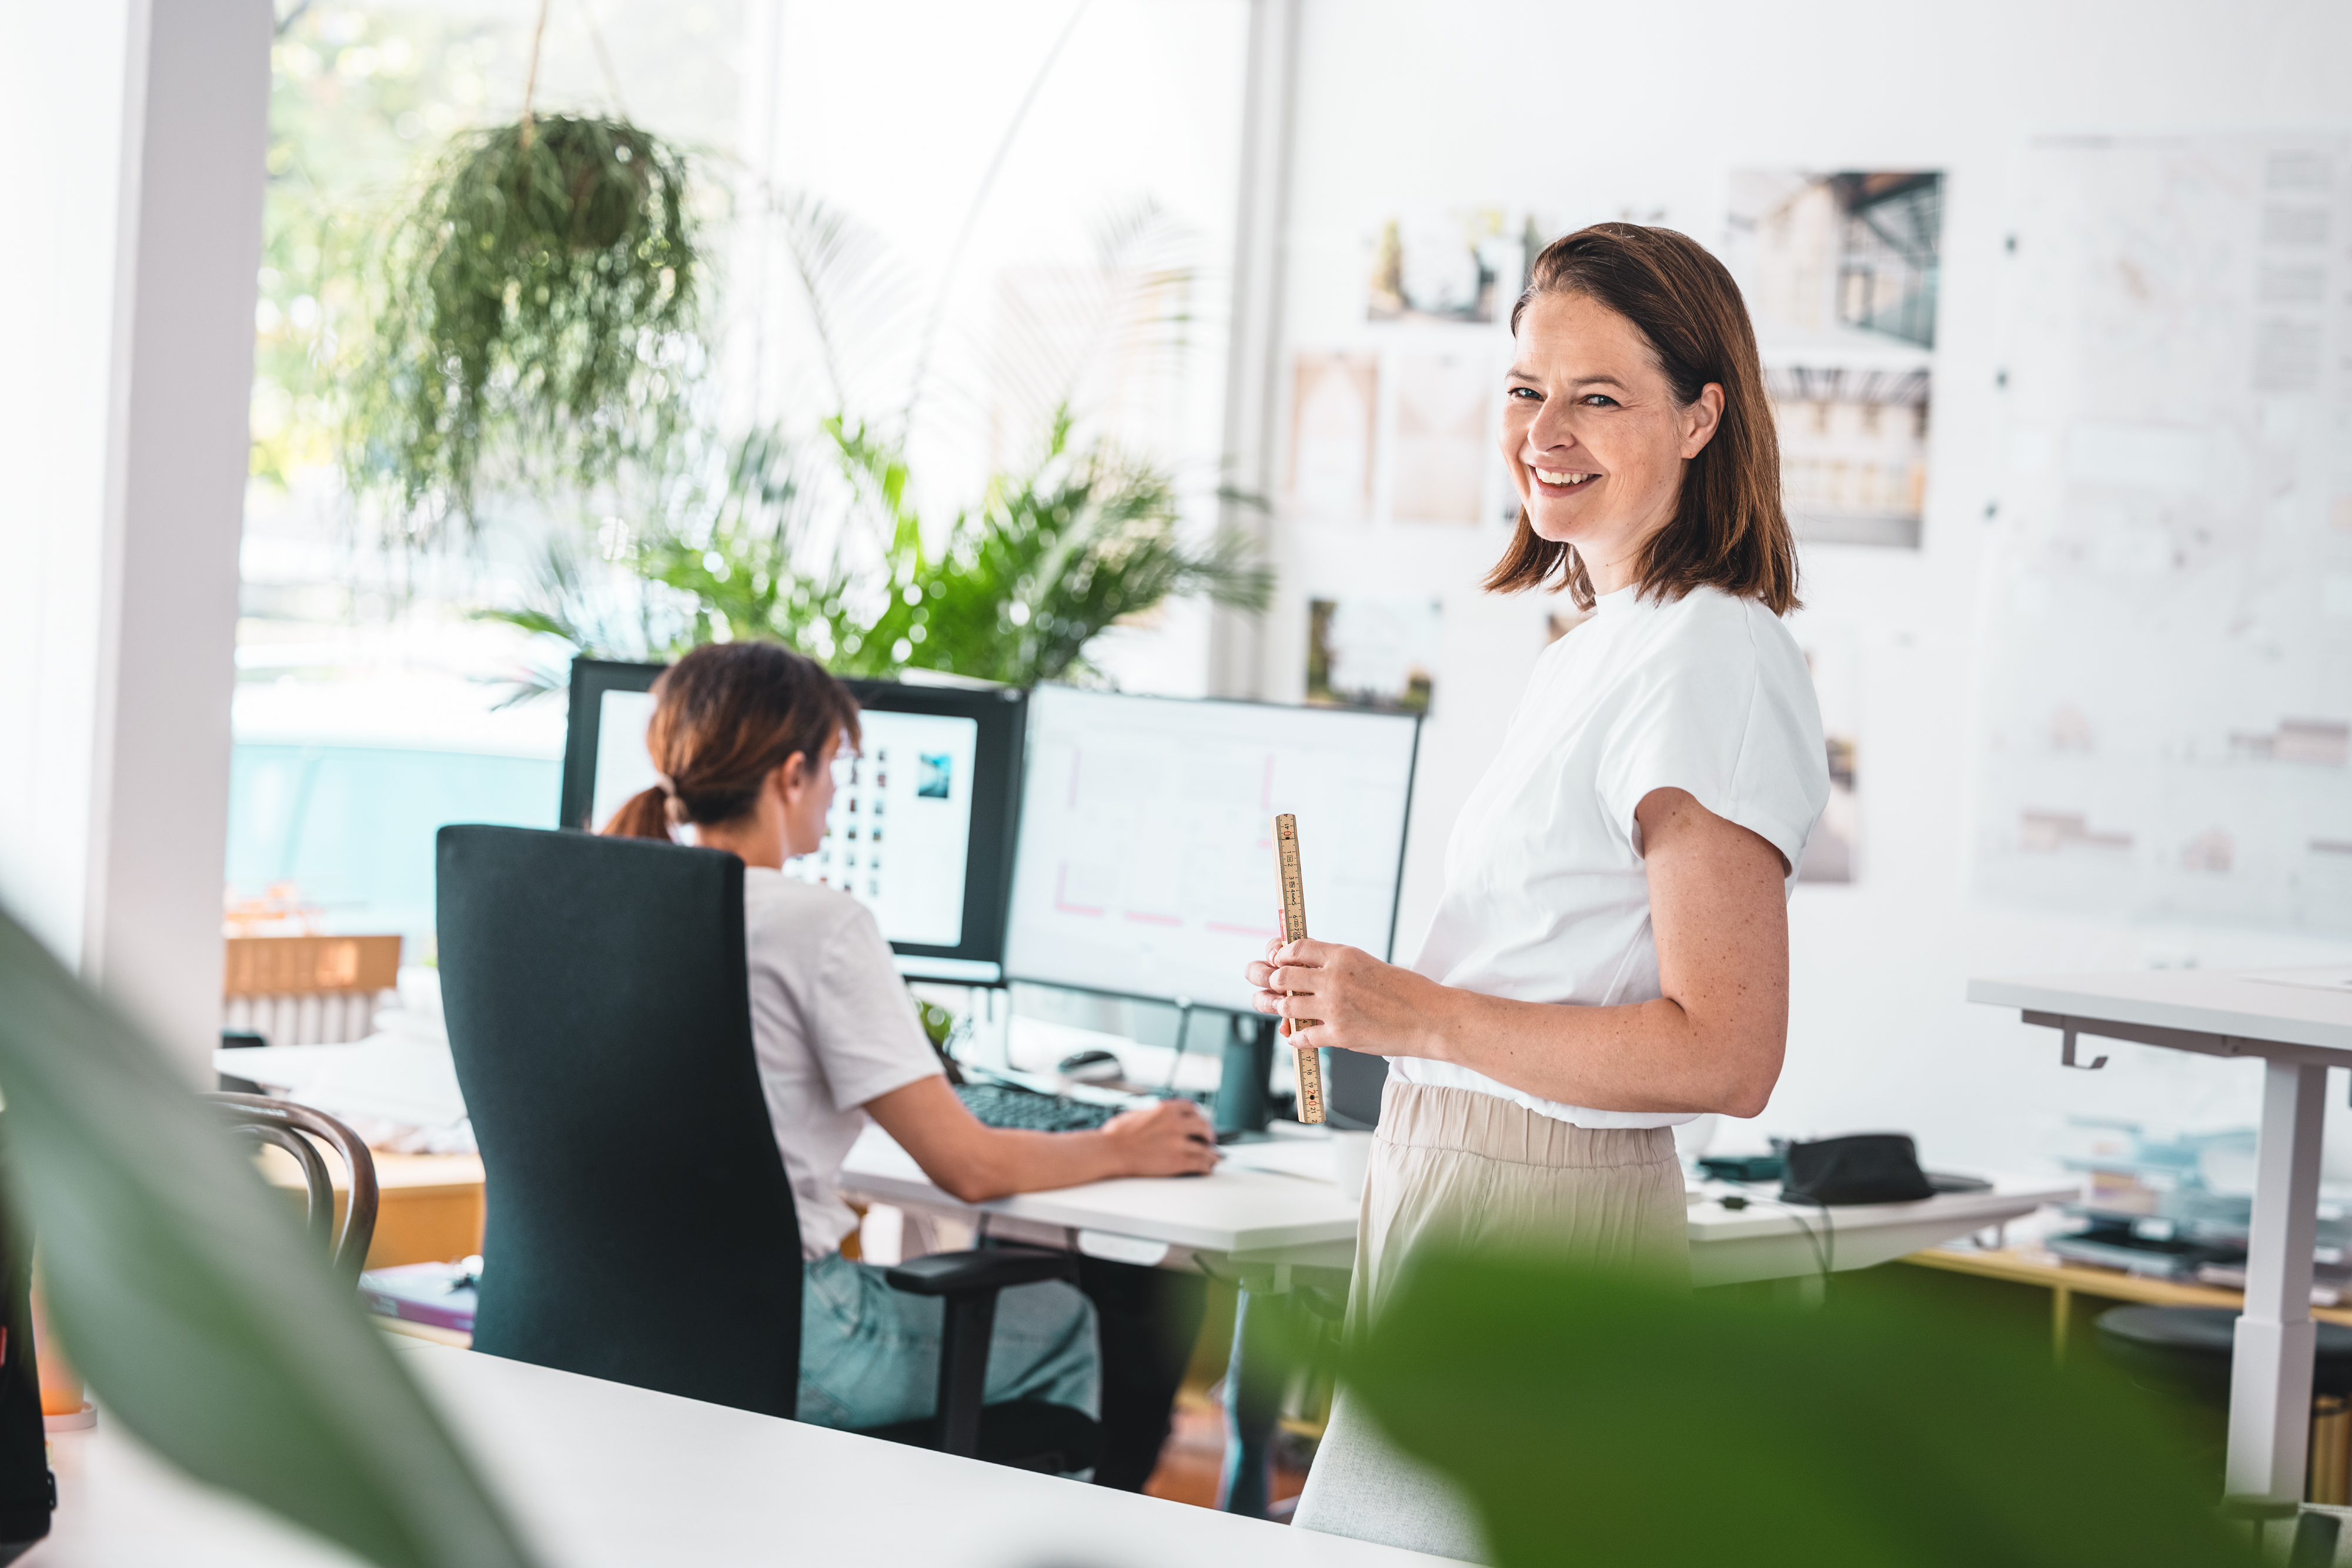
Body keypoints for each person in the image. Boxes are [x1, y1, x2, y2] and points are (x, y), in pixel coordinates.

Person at [1246, 223, 1829, 1559]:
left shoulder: (1713, 656)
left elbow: (1728, 1051)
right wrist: (1362, 1001)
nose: (1541, 429)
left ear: (1699, 416)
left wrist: (1416, 1014)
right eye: (1524, 388)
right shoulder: (1601, 641)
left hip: (1538, 1211)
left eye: (1596, 396)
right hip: (1458, 1188)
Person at [603, 641, 1215, 1442]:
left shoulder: (605, 904)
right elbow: (970, 1167)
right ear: (792, 776)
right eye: (833, 766)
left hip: (610, 1328)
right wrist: (1122, 1145)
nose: (833, 789)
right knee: (1062, 1319)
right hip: (791, 1342)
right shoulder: (814, 923)